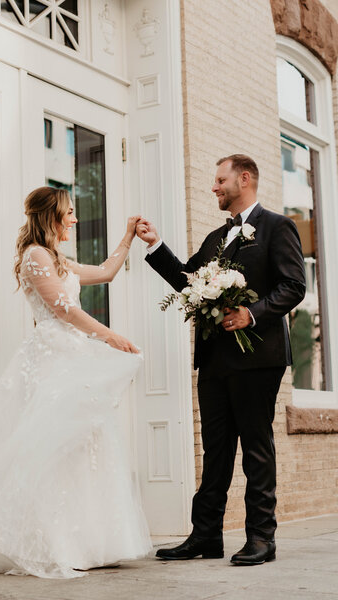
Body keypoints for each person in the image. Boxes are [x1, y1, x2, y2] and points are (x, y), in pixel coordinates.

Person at [0, 186, 151, 578]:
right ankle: (51, 542)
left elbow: (105, 272)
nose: (75, 219)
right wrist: (110, 336)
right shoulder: (34, 256)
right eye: (69, 212)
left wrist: (128, 236)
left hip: (72, 356)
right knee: (52, 446)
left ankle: (86, 541)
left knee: (85, 442)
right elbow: (63, 310)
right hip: (50, 358)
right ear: (52, 216)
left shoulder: (56, 258)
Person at [136, 155, 306, 566]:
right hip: (214, 360)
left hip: (258, 357)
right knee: (214, 451)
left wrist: (252, 313)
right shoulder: (215, 237)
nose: (213, 187)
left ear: (244, 179)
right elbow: (186, 281)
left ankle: (262, 537)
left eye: (219, 180)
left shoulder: (277, 227)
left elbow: (293, 285)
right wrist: (155, 244)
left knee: (256, 448)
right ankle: (206, 537)